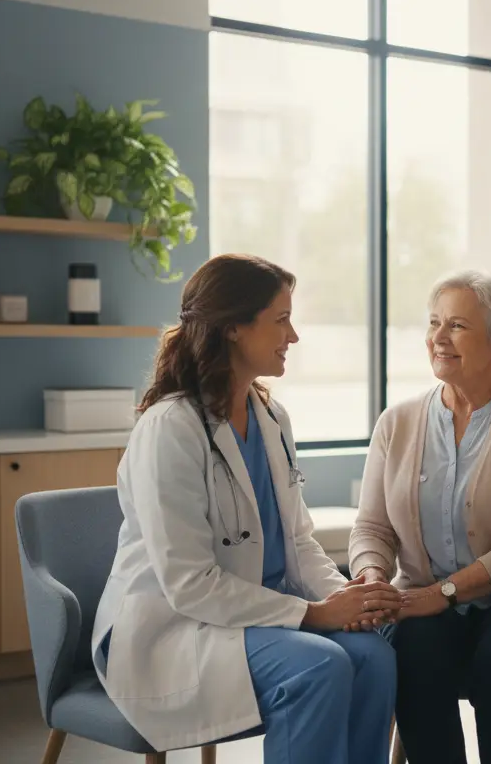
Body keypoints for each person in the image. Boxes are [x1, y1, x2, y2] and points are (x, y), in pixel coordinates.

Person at [90, 254, 400, 763]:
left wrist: (347, 598)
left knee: (374, 656)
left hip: (256, 614)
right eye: (281, 320)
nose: (293, 336)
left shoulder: (272, 417)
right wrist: (314, 615)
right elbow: (189, 583)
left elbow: (298, 540)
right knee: (317, 666)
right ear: (233, 328)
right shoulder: (171, 427)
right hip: (175, 629)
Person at [348, 270, 491, 764]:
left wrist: (443, 594)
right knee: (412, 650)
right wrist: (372, 578)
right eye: (434, 323)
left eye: (456, 325)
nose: (437, 338)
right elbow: (372, 527)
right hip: (425, 599)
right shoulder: (397, 422)